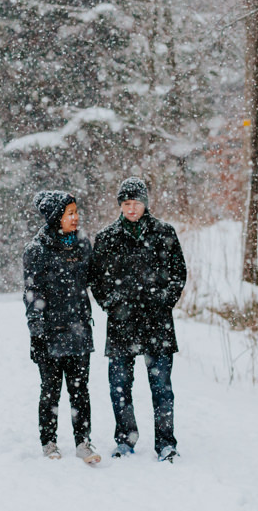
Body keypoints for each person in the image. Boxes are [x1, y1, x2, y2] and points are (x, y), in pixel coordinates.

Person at [89, 177, 187, 462]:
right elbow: (96, 280)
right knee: (119, 387)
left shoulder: (164, 233)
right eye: (126, 203)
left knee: (162, 389)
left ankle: (166, 443)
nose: (131, 209)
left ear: (146, 203)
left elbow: (179, 273)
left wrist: (164, 300)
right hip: (122, 324)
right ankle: (125, 439)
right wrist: (111, 305)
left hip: (158, 323)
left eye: (137, 203)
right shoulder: (106, 238)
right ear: (120, 205)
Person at [22, 190, 102, 464]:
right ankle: (49, 441)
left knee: (80, 389)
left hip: (79, 328)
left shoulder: (83, 245)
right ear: (57, 217)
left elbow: (96, 280)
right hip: (50, 332)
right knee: (51, 390)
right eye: (70, 213)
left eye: (76, 212)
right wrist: (37, 332)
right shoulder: (36, 250)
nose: (76, 217)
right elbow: (32, 294)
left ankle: (83, 441)